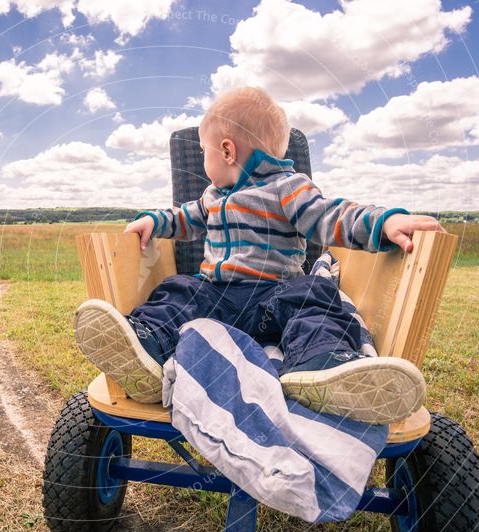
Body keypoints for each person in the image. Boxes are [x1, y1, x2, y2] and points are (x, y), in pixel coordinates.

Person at [73, 86, 446, 424]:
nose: (204, 162)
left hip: (274, 297)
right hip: (215, 298)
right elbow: (185, 218)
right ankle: (146, 345)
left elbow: (332, 215)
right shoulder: (213, 198)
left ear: (227, 150)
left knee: (314, 296)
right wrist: (154, 222)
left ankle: (324, 364)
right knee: (180, 289)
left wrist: (384, 222)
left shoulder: (288, 188)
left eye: (205, 152)